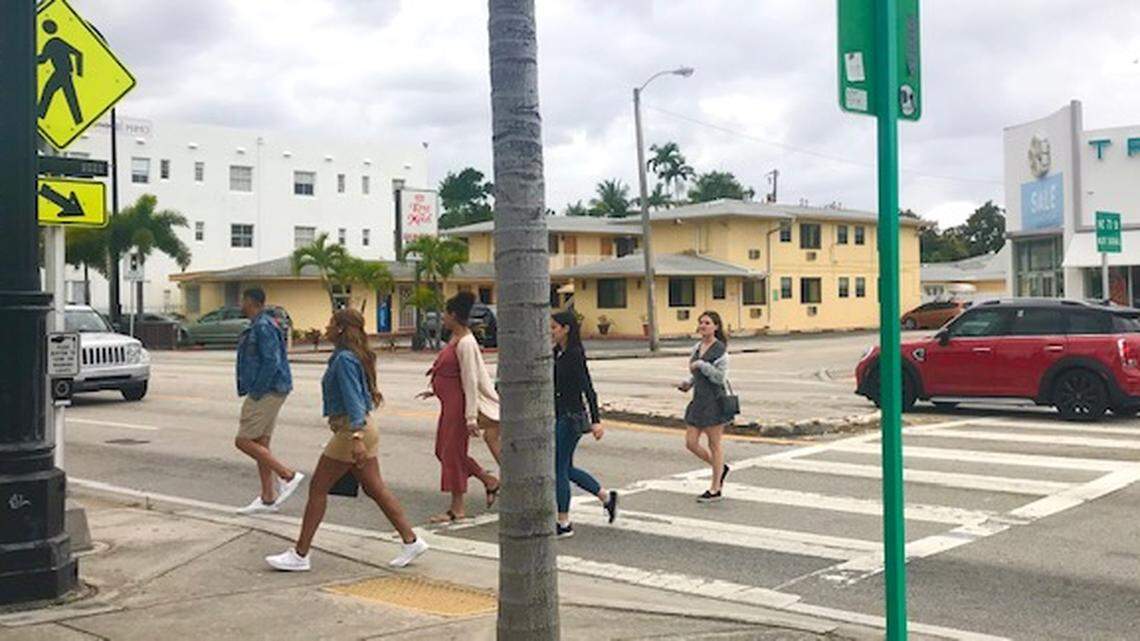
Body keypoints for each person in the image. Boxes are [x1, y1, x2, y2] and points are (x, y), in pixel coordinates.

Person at [266, 309, 427, 571]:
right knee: (376, 489)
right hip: (363, 427)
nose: (326, 328)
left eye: (331, 323)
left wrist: (356, 437)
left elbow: (353, 399)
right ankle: (411, 540)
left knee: (318, 488)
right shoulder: (352, 356)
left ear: (340, 328)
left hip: (353, 430)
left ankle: (300, 554)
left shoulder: (344, 360)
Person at [417, 292, 500, 523]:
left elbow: (471, 379)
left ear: (453, 315)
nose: (443, 318)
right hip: (448, 404)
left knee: (451, 454)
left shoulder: (466, 342)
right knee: (443, 452)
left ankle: (457, 508)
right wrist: (434, 389)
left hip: (459, 407)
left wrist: (471, 417)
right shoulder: (455, 339)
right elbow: (450, 373)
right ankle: (488, 480)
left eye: (445, 313)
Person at [234, 288, 304, 515]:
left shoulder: (263, 326)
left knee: (243, 441)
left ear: (250, 302)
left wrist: (256, 391)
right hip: (274, 389)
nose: (240, 305)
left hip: (267, 391)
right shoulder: (264, 324)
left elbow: (271, 361)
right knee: (261, 444)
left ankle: (287, 475)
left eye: (242, 301)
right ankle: (267, 498)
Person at [551, 311, 617, 538]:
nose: (552, 331)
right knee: (565, 468)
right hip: (559, 415)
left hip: (571, 418)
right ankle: (605, 497)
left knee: (557, 468)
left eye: (555, 327)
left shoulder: (575, 354)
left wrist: (596, 421)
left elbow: (588, 388)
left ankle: (564, 522)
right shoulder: (557, 352)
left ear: (566, 328)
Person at [678, 311, 732, 503]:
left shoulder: (721, 351)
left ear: (716, 326)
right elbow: (696, 373)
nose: (703, 326)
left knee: (714, 444)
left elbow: (719, 377)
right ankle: (720, 468)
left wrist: (702, 365)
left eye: (707, 323)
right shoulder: (697, 347)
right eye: (701, 322)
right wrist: (688, 383)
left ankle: (715, 488)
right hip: (698, 400)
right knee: (691, 443)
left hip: (714, 401)